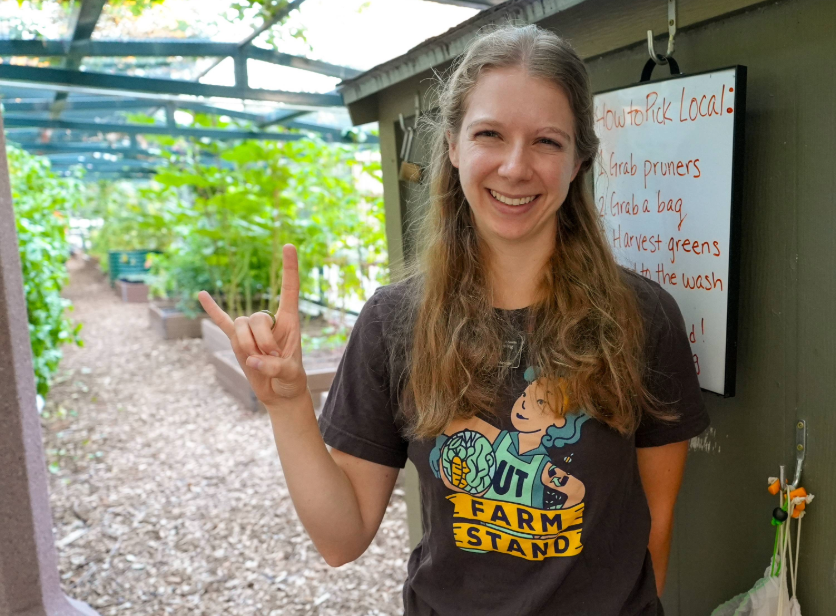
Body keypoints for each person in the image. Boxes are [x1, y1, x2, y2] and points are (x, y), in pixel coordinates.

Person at [198, 24, 708, 616]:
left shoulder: (642, 318)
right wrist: (287, 406)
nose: (516, 167)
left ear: (579, 160)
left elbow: (656, 520)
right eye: (489, 134)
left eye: (546, 141)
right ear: (453, 146)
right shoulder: (396, 322)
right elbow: (342, 539)